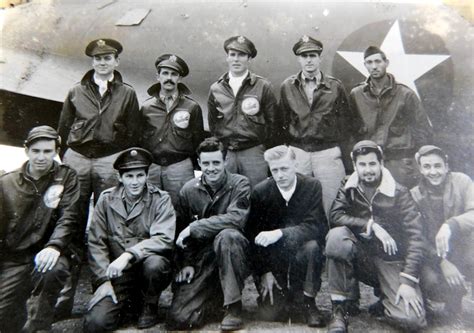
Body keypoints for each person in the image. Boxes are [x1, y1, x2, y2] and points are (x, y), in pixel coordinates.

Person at [56, 38, 141, 316]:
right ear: (92, 61)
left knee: (109, 224)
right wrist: (70, 159)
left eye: (108, 58)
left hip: (109, 160)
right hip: (78, 157)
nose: (103, 62)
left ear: (116, 61)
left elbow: (132, 132)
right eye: (98, 58)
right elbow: (64, 128)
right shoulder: (75, 91)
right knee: (71, 221)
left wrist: (116, 160)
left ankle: (108, 292)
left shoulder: (127, 93)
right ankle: (63, 296)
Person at [326, 140, 426, 333]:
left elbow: (416, 237)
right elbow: (335, 216)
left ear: (381, 164)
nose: (368, 170)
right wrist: (371, 225)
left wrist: (407, 281)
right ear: (355, 166)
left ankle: (385, 299)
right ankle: (340, 309)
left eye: (372, 164)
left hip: (391, 260)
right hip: (362, 255)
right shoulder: (348, 185)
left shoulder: (399, 192)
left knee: (412, 321)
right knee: (336, 238)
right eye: (362, 165)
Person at [84, 148, 175, 331]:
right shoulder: (106, 199)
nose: (135, 182)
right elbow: (96, 242)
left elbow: (163, 238)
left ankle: (149, 305)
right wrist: (103, 281)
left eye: (140, 175)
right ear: (120, 178)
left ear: (147, 176)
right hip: (118, 274)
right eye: (129, 176)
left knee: (155, 264)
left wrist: (128, 255)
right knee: (96, 324)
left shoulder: (160, 199)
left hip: (145, 267)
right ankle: (129, 303)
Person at [0, 126, 80, 333]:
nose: (41, 157)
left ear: (56, 151)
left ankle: (39, 327)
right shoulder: (6, 182)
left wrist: (54, 246)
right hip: (15, 256)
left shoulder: (67, 177)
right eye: (36, 151)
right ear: (26, 150)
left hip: (49, 252)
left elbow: (69, 216)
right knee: (4, 315)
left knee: (52, 272)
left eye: (47, 151)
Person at [168, 137, 251, 331]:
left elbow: (236, 219)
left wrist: (195, 227)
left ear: (225, 162)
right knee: (179, 318)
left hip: (233, 252)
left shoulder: (240, 184)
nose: (211, 168)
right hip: (203, 259)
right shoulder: (188, 190)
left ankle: (233, 307)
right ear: (199, 163)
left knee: (227, 236)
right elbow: (182, 233)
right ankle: (214, 300)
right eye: (206, 163)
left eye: (216, 162)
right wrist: (187, 263)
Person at [246, 145, 328, 327]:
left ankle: (308, 300)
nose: (280, 175)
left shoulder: (312, 186)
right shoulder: (260, 192)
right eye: (275, 170)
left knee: (313, 246)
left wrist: (280, 233)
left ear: (295, 165)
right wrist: (264, 272)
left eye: (284, 168)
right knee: (272, 313)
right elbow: (252, 236)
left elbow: (316, 226)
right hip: (274, 258)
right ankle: (281, 295)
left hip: (302, 251)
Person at [280, 35, 359, 214]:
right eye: (304, 56)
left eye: (313, 55)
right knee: (298, 206)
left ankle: (331, 241)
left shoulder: (335, 87)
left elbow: (346, 128)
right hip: (299, 153)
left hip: (327, 153)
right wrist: (290, 151)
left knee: (333, 206)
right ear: (298, 59)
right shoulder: (288, 86)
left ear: (319, 58)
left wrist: (347, 165)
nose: (309, 60)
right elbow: (282, 123)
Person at [349, 46, 433, 188]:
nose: (374, 66)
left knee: (404, 203)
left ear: (386, 63)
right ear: (365, 65)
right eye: (369, 63)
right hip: (371, 163)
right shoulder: (356, 94)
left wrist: (416, 161)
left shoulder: (405, 94)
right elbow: (351, 130)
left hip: (400, 162)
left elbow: (422, 130)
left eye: (378, 61)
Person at [411, 145, 474, 322]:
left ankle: (456, 302)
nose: (433, 172)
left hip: (462, 248)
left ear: (446, 166)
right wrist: (442, 262)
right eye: (427, 167)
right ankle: (437, 303)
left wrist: (450, 225)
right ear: (421, 169)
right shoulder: (414, 195)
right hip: (433, 256)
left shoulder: (462, 182)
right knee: (430, 281)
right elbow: (416, 237)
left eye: (438, 166)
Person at [208, 35, 280, 187]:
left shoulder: (262, 86)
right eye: (232, 55)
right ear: (227, 58)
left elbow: (273, 123)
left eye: (241, 55)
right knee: (227, 194)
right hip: (227, 153)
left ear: (249, 59)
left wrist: (262, 149)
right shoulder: (216, 88)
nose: (236, 59)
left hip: (254, 152)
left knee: (258, 196)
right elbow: (213, 124)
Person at [139, 53, 205, 205]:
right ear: (158, 76)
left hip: (179, 167)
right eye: (165, 73)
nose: (169, 78)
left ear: (179, 78)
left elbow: (198, 140)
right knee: (150, 207)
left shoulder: (192, 107)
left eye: (174, 74)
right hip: (153, 167)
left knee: (181, 209)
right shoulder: (146, 107)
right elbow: (139, 140)